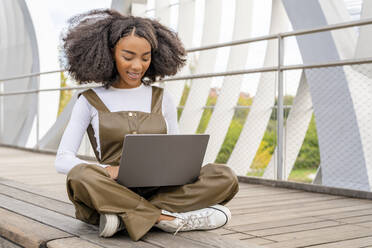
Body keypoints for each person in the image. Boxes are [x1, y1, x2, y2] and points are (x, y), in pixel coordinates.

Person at [56, 9, 239, 242]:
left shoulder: (164, 99)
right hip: (112, 188)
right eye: (128, 56)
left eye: (145, 57)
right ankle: (165, 219)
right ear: (110, 53)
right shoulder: (89, 100)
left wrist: (180, 168)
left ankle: (124, 217)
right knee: (79, 175)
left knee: (225, 176)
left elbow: (176, 150)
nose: (137, 66)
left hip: (160, 189)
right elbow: (62, 159)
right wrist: (107, 171)